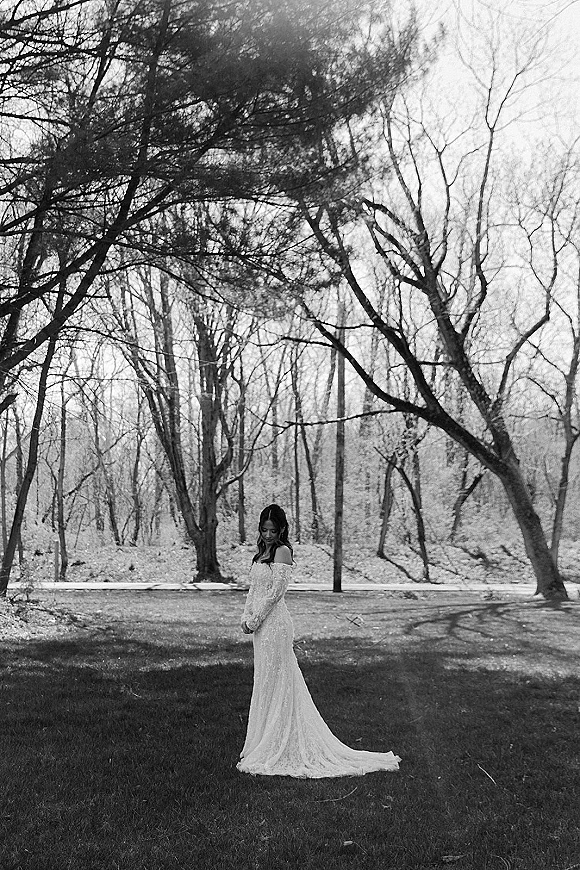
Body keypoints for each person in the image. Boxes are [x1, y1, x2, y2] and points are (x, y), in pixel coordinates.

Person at [237, 503, 400, 778]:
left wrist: (255, 620)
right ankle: (262, 740)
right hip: (260, 631)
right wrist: (245, 616)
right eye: (263, 530)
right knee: (264, 681)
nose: (267, 535)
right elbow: (254, 590)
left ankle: (281, 741)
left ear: (282, 529)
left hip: (275, 625)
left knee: (279, 681)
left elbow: (276, 593)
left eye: (272, 530)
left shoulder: (282, 552)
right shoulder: (260, 553)